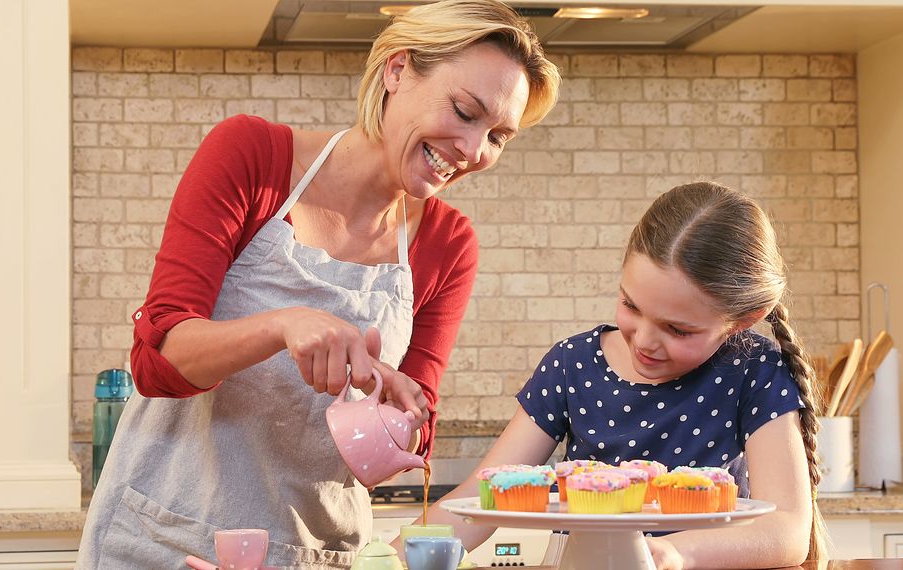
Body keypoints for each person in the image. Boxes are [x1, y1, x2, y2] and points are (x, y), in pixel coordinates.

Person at [76, 1, 561, 568]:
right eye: (464, 111)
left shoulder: (448, 243)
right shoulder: (251, 157)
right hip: (166, 535)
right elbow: (159, 361)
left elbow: (414, 431)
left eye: (498, 136)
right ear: (397, 71)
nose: (475, 152)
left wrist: (392, 403)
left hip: (314, 552)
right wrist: (284, 326)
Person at [422, 182, 827, 569]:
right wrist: (393, 556)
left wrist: (671, 555)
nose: (646, 341)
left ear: (742, 321)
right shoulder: (572, 363)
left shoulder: (752, 369)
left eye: (678, 329)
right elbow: (482, 498)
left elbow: (788, 529)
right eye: (631, 306)